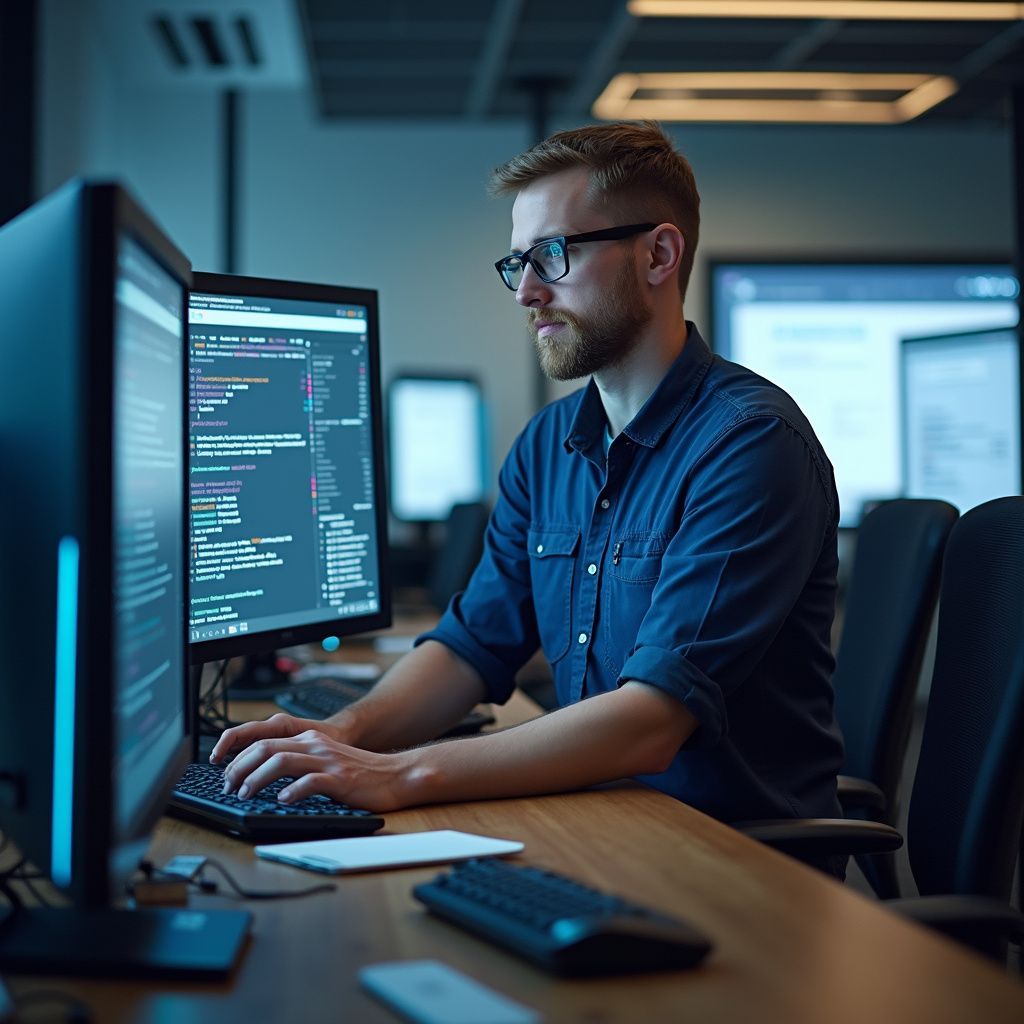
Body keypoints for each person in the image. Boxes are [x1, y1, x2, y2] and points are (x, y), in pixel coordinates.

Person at [212, 121, 844, 839]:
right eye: (518, 263)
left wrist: (402, 773)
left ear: (659, 255)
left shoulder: (750, 444)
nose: (527, 292)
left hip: (726, 855)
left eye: (552, 254)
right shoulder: (548, 445)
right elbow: (471, 647)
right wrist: (343, 735)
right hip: (597, 820)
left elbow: (651, 722)